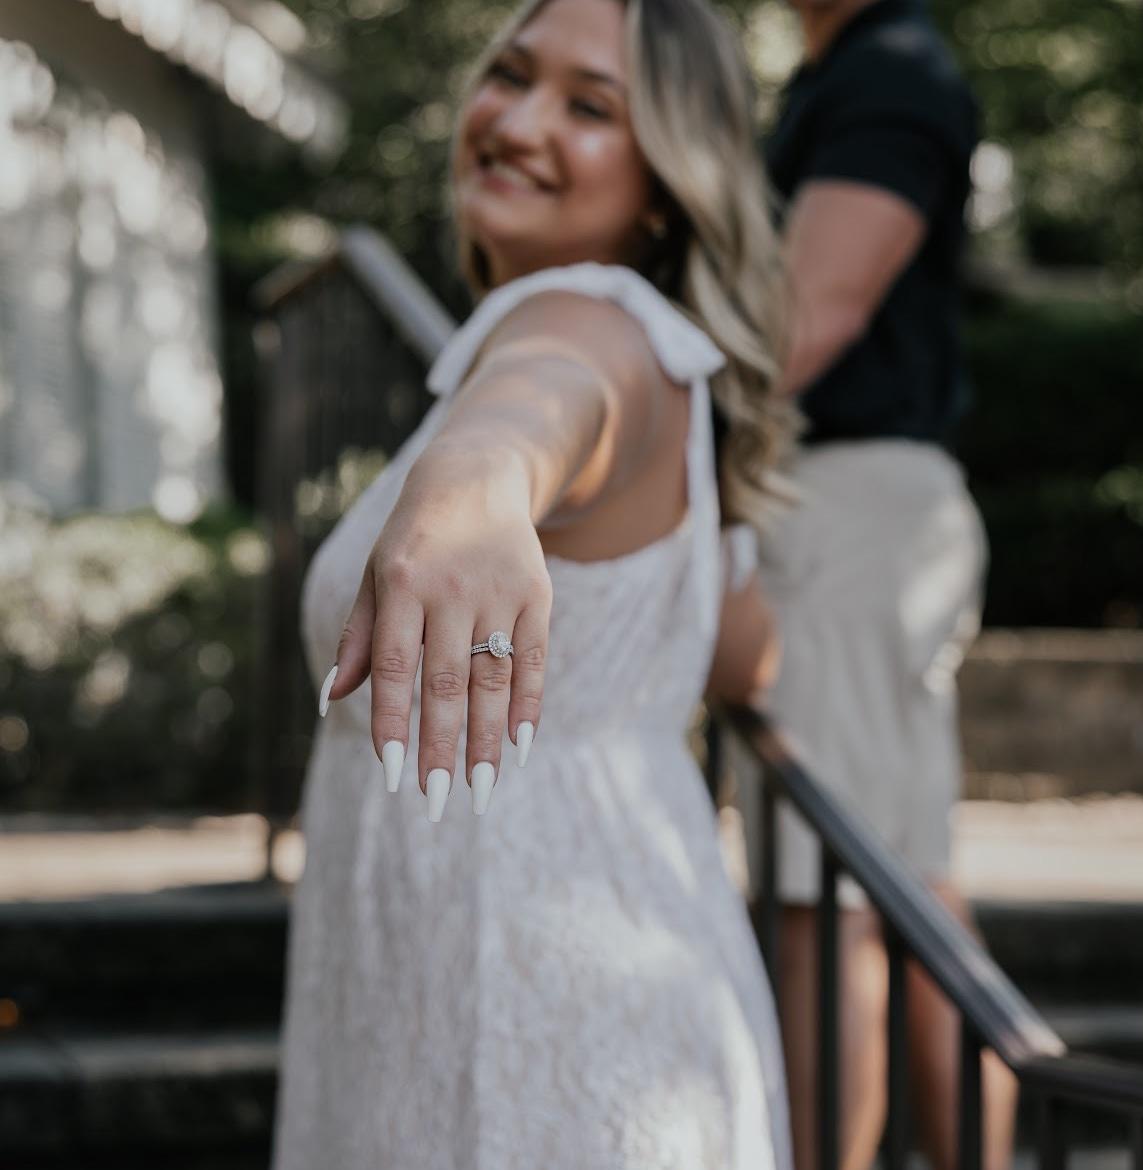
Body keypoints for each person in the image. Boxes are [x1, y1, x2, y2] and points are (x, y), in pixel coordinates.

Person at [271, 0, 804, 1166]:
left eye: (590, 106)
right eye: (510, 76)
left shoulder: (586, 321)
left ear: (668, 181)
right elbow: (744, 654)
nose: (517, 123)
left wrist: (477, 481)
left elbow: (545, 396)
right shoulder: (673, 372)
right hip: (558, 972)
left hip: (538, 1018)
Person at [755, 1, 1017, 1168]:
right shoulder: (847, 74)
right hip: (870, 513)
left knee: (823, 903)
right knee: (907, 887)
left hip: (849, 514)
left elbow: (815, 310)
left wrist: (654, 454)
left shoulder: (891, 73)